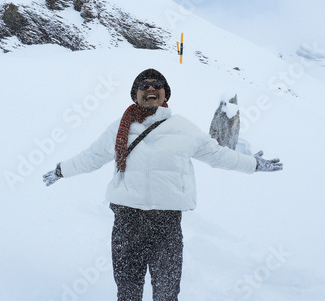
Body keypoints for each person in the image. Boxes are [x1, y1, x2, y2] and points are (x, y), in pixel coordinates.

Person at [43, 68, 282, 301]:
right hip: (128, 221)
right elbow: (91, 157)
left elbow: (218, 155)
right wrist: (61, 170)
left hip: (166, 225)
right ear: (134, 94)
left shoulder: (182, 128)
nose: (150, 89)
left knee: (166, 293)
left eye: (157, 85)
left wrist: (254, 164)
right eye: (143, 85)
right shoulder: (119, 129)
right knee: (128, 293)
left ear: (165, 95)